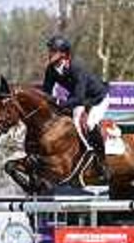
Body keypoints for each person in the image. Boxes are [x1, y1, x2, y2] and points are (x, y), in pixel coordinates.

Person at [42, 35, 110, 181]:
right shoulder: (51, 70)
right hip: (79, 98)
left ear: (63, 54)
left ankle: (102, 162)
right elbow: (46, 93)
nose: (49, 54)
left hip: (97, 99)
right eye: (50, 50)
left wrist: (59, 103)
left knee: (90, 124)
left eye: (53, 51)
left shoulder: (76, 68)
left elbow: (79, 99)